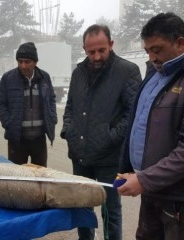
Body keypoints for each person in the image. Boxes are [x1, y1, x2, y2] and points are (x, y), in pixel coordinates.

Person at [118, 12, 184, 240]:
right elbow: (141, 123)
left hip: (182, 200)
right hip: (154, 190)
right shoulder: (157, 74)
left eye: (158, 49)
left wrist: (145, 180)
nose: (152, 57)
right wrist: (130, 167)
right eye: (148, 51)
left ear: (180, 43)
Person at [60, 24, 142, 240]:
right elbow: (70, 108)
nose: (96, 57)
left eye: (101, 50)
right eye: (91, 51)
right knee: (82, 206)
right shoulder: (78, 73)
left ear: (111, 45)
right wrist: (69, 130)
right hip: (81, 155)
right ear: (84, 49)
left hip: (110, 158)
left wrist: (109, 137)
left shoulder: (127, 71)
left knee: (111, 210)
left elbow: (133, 114)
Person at [0, 42, 57, 167]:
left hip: (39, 140)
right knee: (17, 179)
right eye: (20, 61)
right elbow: (0, 102)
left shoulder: (45, 77)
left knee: (40, 177)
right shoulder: (8, 78)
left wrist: (53, 118)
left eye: (27, 61)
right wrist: (8, 123)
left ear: (35, 62)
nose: (23, 65)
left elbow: (51, 99)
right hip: (17, 139)